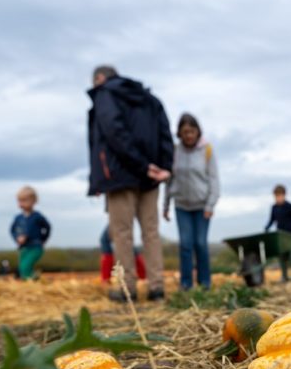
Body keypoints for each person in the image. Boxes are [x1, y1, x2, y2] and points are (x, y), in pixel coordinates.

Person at [87, 65, 173, 302]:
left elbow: (114, 132)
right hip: (151, 176)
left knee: (122, 233)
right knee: (151, 233)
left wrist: (140, 165)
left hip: (119, 175)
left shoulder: (105, 94)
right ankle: (157, 287)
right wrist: (164, 168)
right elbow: (166, 134)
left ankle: (128, 289)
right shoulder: (150, 99)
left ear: (100, 78)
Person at [163, 113, 220, 290]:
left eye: (192, 131)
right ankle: (186, 285)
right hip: (181, 206)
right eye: (185, 132)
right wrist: (165, 206)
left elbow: (214, 180)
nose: (189, 135)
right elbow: (169, 180)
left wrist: (210, 204)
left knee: (200, 244)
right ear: (180, 133)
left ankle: (205, 284)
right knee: (185, 245)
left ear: (197, 132)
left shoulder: (206, 150)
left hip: (202, 205)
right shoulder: (174, 151)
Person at [10, 186, 51, 280]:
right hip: (24, 248)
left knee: (25, 266)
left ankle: (33, 283)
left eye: (24, 200)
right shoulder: (18, 218)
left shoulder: (37, 217)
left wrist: (43, 240)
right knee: (22, 268)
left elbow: (47, 228)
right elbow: (12, 230)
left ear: (34, 201)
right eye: (19, 201)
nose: (21, 203)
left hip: (36, 247)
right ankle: (33, 282)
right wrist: (17, 238)